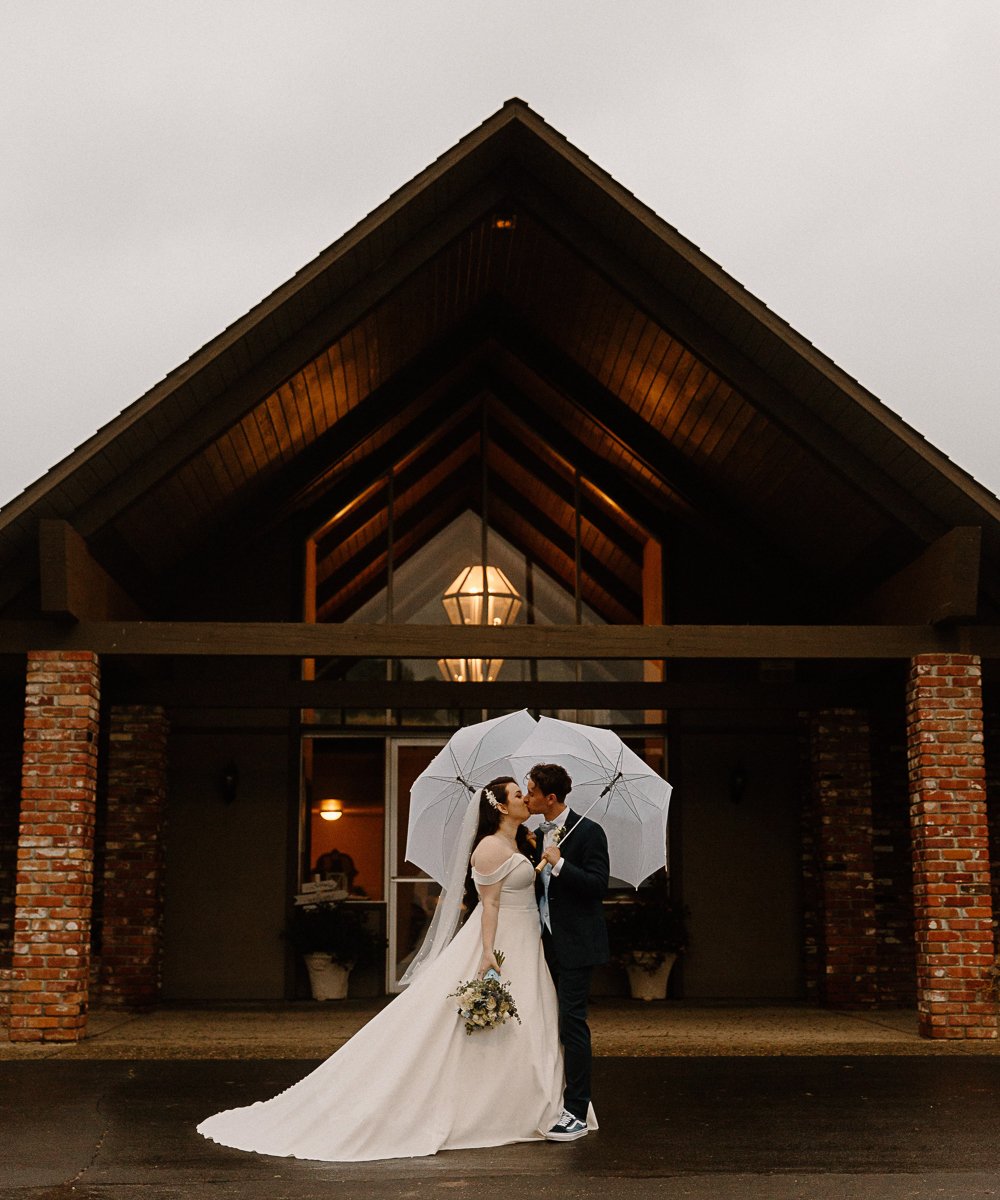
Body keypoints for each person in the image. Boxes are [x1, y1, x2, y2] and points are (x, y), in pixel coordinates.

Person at [197, 777, 594, 1162]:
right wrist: (489, 951)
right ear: (500, 807)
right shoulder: (490, 847)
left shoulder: (523, 840)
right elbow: (488, 904)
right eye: (516, 794)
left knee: (532, 1021)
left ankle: (532, 1101)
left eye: (527, 793)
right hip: (505, 940)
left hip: (529, 942)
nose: (526, 798)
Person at [525, 762, 610, 1142]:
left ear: (551, 797)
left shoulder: (589, 833)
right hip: (542, 944)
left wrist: (561, 864)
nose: (527, 798)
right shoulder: (531, 836)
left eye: (531, 792)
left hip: (577, 945)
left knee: (571, 1023)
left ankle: (576, 1108)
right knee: (543, 1022)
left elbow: (597, 886)